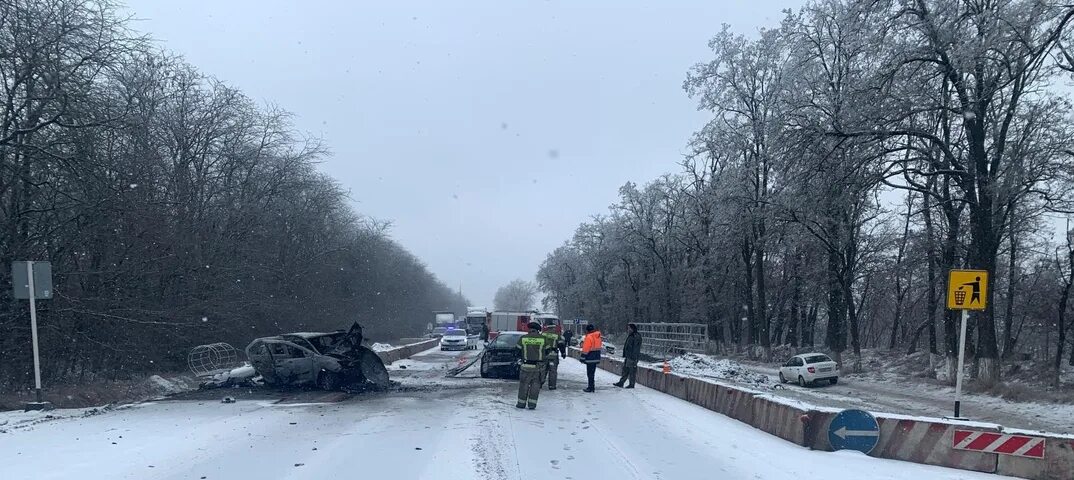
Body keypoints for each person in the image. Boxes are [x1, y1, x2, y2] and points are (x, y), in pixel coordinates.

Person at [516, 322, 549, 409]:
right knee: (535, 385)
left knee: (524, 385)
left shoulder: (523, 338)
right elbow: (548, 350)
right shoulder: (543, 339)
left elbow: (517, 351)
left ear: (529, 329)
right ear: (538, 330)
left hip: (526, 366)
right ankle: (532, 404)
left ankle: (521, 404)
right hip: (538, 367)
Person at [614, 323, 642, 388]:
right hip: (628, 356)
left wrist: (634, 357)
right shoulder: (631, 335)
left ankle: (631, 384)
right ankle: (621, 382)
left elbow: (636, 347)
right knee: (625, 370)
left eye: (629, 328)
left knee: (632, 371)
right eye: (628, 328)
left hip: (632, 357)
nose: (628, 329)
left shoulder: (635, 336)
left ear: (632, 329)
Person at [580, 324, 602, 392]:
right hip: (596, 356)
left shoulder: (589, 337)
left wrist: (582, 357)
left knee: (590, 373)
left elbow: (586, 348)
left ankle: (591, 387)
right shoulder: (598, 337)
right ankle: (592, 386)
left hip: (590, 357)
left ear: (587, 330)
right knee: (592, 373)